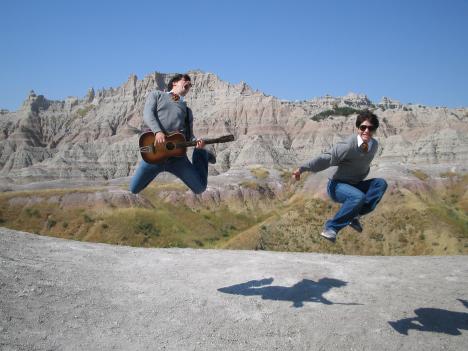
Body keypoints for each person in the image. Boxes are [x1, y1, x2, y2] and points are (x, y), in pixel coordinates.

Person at [292, 110, 387, 242]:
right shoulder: (348, 145)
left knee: (380, 184)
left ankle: (355, 215)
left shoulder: (374, 145)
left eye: (370, 128)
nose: (366, 131)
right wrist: (302, 169)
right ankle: (331, 228)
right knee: (358, 197)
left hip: (355, 184)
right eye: (363, 127)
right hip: (337, 185)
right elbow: (326, 158)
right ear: (358, 128)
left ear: (374, 130)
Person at [129, 73, 215, 195]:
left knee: (200, 188)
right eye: (186, 80)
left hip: (177, 158)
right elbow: (148, 114)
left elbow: (189, 136)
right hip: (154, 156)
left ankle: (202, 154)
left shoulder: (187, 111)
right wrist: (158, 132)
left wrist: (198, 144)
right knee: (133, 189)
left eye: (190, 84)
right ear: (174, 82)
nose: (189, 84)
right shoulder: (157, 95)